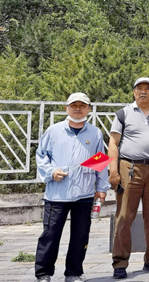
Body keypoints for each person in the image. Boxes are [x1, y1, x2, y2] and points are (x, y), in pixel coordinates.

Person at [34, 93, 110, 282]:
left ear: (88, 109)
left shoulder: (95, 133)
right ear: (66, 108)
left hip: (84, 193)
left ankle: (74, 273)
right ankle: (43, 273)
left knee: (80, 235)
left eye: (82, 105)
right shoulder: (54, 131)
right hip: (57, 194)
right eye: (73, 105)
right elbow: (41, 155)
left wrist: (101, 188)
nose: (77, 109)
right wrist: (51, 172)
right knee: (50, 234)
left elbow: (100, 162)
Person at [108, 77, 149, 280]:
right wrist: (113, 171)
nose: (143, 91)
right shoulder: (123, 114)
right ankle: (120, 263)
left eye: (147, 88)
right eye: (139, 88)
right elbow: (113, 143)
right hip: (129, 168)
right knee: (124, 217)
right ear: (134, 92)